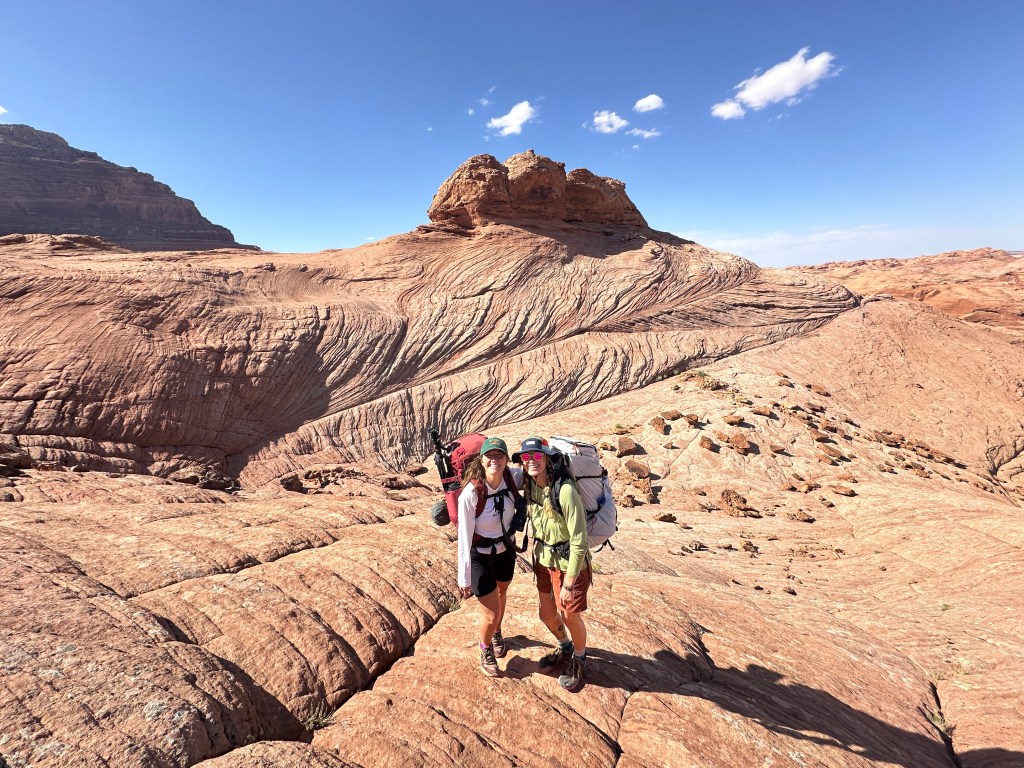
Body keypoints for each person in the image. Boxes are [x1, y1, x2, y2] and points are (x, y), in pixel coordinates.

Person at [513, 435, 592, 691]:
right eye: (526, 457)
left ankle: (579, 660)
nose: (532, 461)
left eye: (537, 455)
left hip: (569, 564)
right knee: (546, 613)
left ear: (547, 458)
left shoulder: (565, 490)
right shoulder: (530, 485)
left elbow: (580, 538)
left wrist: (569, 583)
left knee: (569, 616)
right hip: (543, 560)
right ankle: (565, 647)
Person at [456, 436, 523, 677]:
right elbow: (463, 537)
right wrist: (463, 579)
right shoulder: (471, 493)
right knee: (491, 612)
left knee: (502, 594)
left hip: (506, 551)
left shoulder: (512, 479)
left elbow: (539, 470)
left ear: (506, 459)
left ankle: (496, 632)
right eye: (490, 456)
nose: (495, 460)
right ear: (482, 460)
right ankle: (485, 649)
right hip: (481, 557)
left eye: (500, 455)